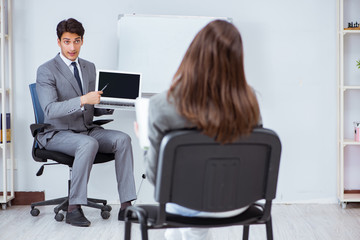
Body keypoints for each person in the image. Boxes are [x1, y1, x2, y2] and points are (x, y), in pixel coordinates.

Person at [140, 20, 262, 240]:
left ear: (193, 56)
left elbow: (155, 178)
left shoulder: (163, 105)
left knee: (182, 216)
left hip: (187, 205)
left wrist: (145, 141)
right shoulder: (249, 100)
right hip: (239, 203)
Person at [36, 18, 136, 227]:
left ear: (82, 41)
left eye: (77, 41)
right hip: (57, 132)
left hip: (87, 129)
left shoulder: (89, 67)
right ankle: (74, 208)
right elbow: (50, 110)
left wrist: (112, 102)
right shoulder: (46, 70)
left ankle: (127, 207)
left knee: (123, 139)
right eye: (67, 41)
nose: (72, 47)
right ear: (58, 42)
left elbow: (94, 106)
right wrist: (83, 100)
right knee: (87, 144)